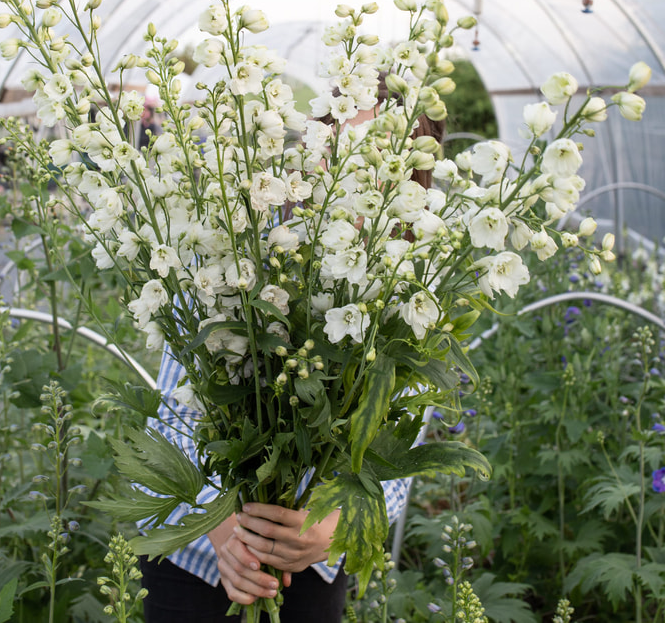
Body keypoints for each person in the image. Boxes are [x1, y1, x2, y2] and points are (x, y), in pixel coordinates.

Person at [138, 76, 444, 623]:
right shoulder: (234, 250)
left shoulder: (412, 299)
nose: (348, 169)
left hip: (312, 563)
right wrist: (221, 527)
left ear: (413, 181)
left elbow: (396, 455)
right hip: (195, 552)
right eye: (336, 146)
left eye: (375, 157)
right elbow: (172, 416)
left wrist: (333, 529)